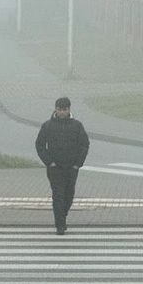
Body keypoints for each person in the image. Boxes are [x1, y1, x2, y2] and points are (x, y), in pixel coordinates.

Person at [35, 96, 90, 235]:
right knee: (58, 196)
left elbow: (84, 144)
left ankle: (62, 217)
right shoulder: (48, 125)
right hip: (55, 168)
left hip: (72, 168)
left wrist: (78, 164)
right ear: (55, 109)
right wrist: (49, 162)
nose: (62, 112)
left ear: (69, 109)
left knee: (69, 195)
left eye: (64, 110)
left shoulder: (77, 125)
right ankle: (60, 225)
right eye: (59, 109)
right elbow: (40, 144)